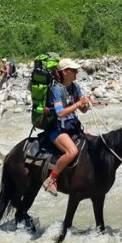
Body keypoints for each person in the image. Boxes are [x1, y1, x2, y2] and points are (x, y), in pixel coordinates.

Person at [41, 58, 96, 196]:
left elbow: (83, 110)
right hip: (56, 128)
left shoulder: (75, 87)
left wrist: (86, 104)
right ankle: (51, 180)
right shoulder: (56, 89)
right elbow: (60, 113)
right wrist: (78, 104)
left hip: (71, 126)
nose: (77, 72)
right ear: (65, 72)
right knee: (72, 152)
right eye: (74, 70)